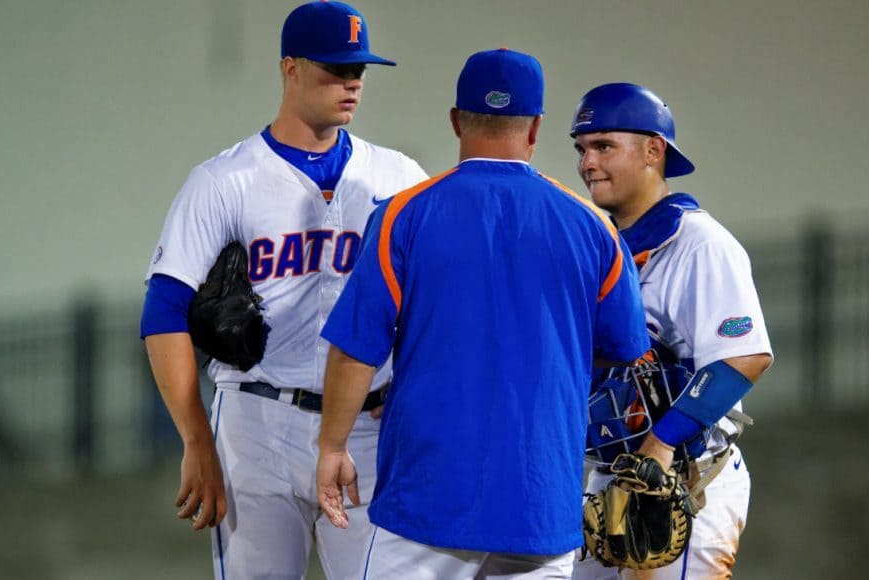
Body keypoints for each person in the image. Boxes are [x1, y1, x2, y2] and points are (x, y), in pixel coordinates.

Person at [314, 49, 651, 580]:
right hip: (541, 498)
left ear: (455, 120)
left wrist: (332, 445)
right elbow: (623, 348)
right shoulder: (593, 227)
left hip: (427, 496)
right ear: (536, 127)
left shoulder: (404, 213)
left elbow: (357, 348)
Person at [139, 2, 428, 578]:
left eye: (359, 71)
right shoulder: (225, 181)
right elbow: (164, 311)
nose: (351, 83)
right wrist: (196, 440)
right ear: (289, 68)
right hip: (257, 422)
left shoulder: (399, 178)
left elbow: (433, 304)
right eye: (334, 69)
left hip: (365, 429)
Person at [568, 83, 774, 579]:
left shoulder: (700, 244)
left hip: (684, 484)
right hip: (607, 482)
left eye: (603, 146)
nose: (587, 163)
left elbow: (743, 357)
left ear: (653, 150)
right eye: (581, 148)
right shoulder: (601, 248)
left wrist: (661, 444)